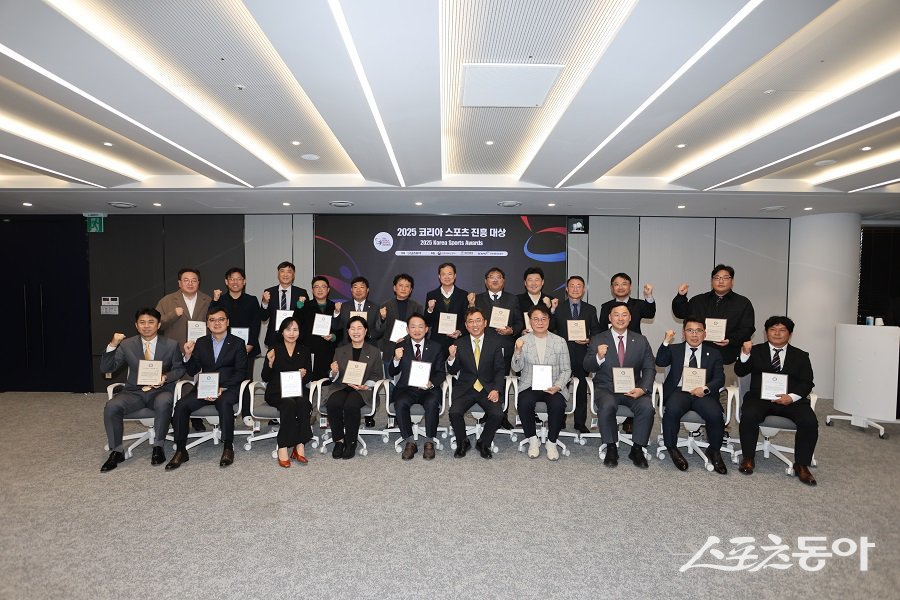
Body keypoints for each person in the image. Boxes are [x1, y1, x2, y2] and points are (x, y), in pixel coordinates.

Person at [99, 308, 185, 472]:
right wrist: (112, 344)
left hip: (161, 390)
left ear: (158, 325)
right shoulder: (127, 345)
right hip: (134, 392)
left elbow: (179, 369)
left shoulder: (171, 345)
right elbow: (106, 368)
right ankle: (116, 451)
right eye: (142, 323)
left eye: (151, 322)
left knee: (164, 401)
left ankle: (158, 446)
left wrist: (165, 377)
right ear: (136, 326)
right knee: (112, 406)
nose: (146, 326)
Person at [735, 316, 818, 486]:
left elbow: (807, 382)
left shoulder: (801, 356)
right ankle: (748, 457)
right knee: (749, 414)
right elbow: (740, 371)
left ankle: (801, 464)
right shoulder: (755, 350)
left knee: (809, 421)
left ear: (790, 333)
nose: (777, 333)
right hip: (761, 398)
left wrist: (792, 397)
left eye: (782, 330)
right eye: (773, 330)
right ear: (766, 333)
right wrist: (744, 354)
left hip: (791, 399)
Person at [165, 307, 249, 470]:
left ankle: (227, 447)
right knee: (181, 405)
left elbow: (241, 372)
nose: (217, 323)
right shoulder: (201, 342)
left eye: (221, 319)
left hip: (228, 388)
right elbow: (192, 370)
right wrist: (188, 356)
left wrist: (222, 388)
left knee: (224, 403)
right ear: (207, 324)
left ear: (227, 322)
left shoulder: (238, 343)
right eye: (212, 320)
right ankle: (181, 450)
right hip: (203, 388)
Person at [583, 304, 656, 468]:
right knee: (607, 405)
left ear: (630, 318)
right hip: (606, 387)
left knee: (646, 407)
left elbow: (649, 367)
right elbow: (587, 366)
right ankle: (611, 447)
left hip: (633, 389)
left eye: (624, 315)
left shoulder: (641, 340)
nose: (621, 318)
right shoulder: (598, 339)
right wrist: (598, 357)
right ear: (610, 318)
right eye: (616, 315)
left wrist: (643, 389)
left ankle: (637, 448)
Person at [656, 318, 727, 474]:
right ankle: (672, 448)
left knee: (715, 415)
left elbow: (720, 378)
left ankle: (714, 451)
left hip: (703, 393)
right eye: (690, 330)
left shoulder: (714, 353)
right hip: (679, 391)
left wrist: (705, 388)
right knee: (672, 410)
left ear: (705, 333)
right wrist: (666, 341)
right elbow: (660, 362)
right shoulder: (675, 349)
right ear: (683, 334)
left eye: (698, 331)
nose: (694, 334)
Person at [672, 264, 755, 378]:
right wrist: (681, 297)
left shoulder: (743, 303)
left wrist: (730, 340)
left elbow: (747, 329)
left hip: (727, 355)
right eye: (717, 278)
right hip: (697, 353)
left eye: (725, 278)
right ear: (712, 281)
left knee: (721, 390)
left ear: (732, 281)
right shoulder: (699, 300)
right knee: (691, 387)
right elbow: (680, 313)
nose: (721, 281)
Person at [511, 305, 572, 461]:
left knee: (557, 404)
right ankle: (532, 440)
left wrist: (558, 386)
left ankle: (551, 442)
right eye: (536, 319)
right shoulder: (522, 341)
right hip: (530, 384)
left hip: (553, 385)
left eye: (544, 319)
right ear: (530, 321)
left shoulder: (559, 341)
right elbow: (516, 368)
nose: (540, 322)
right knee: (524, 402)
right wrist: (517, 351)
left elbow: (566, 370)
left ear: (549, 321)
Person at [156, 267, 211, 432]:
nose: (190, 283)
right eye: (186, 280)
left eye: (194, 280)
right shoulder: (167, 301)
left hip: (200, 350)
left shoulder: (207, 300)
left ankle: (196, 418)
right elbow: (157, 323)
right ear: (179, 283)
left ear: (199, 283)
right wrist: (173, 314)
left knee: (197, 383)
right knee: (177, 384)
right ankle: (176, 417)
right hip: (175, 349)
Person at [447, 307, 506, 459]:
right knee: (454, 412)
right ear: (466, 325)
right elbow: (453, 371)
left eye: (478, 320)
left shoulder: (495, 342)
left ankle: (484, 443)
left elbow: (500, 370)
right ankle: (462, 442)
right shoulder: (460, 343)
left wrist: (496, 389)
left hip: (488, 389)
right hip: (466, 389)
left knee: (497, 414)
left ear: (485, 323)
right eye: (470, 321)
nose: (475, 325)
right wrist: (451, 358)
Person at [470, 266, 525, 429]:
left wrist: (511, 330)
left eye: (498, 277)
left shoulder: (512, 299)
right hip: (484, 348)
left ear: (504, 281)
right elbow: (471, 322)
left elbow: (519, 322)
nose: (495, 279)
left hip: (505, 346)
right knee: (486, 379)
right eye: (491, 277)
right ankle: (488, 413)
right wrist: (470, 305)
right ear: (486, 282)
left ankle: (503, 415)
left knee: (503, 381)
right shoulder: (477, 299)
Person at [388, 313, 445, 460]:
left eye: (420, 326)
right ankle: (410, 441)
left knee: (432, 403)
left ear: (426, 329)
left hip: (428, 389)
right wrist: (395, 358)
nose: (417, 330)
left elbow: (441, 373)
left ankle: (429, 441)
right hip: (407, 389)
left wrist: (431, 383)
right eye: (413, 327)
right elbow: (392, 372)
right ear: (407, 329)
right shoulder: (400, 346)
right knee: (400, 403)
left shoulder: (436, 347)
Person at [326, 316, 384, 460]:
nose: (356, 332)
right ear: (348, 331)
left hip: (362, 389)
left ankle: (351, 442)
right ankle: (339, 441)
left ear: (365, 331)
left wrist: (366, 385)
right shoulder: (340, 350)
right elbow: (333, 376)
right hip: (342, 386)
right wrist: (333, 372)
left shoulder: (374, 351)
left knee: (351, 405)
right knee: (333, 402)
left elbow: (378, 375)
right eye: (352, 328)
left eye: (359, 328)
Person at [210, 266, 262, 424]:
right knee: (225, 377)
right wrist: (214, 300)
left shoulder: (252, 300)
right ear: (226, 281)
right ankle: (225, 409)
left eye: (239, 279)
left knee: (246, 379)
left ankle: (246, 412)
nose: (235, 282)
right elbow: (212, 319)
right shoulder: (221, 300)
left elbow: (256, 323)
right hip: (225, 347)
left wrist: (251, 343)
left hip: (247, 347)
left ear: (244, 281)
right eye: (232, 279)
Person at [260, 317, 313, 468]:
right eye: (288, 329)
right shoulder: (274, 349)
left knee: (304, 403)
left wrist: (304, 375)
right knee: (288, 404)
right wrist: (270, 363)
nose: (292, 333)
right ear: (282, 332)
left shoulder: (304, 350)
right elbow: (265, 377)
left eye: (295, 329)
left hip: (297, 391)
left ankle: (299, 445)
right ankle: (283, 446)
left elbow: (310, 376)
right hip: (277, 392)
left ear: (299, 332)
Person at [551, 275, 602, 433]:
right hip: (561, 355)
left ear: (584, 290)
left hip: (582, 355)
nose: (575, 289)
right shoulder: (558, 308)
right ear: (566, 289)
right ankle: (560, 420)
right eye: (572, 286)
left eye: (578, 286)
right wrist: (551, 311)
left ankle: (580, 422)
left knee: (581, 390)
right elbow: (551, 329)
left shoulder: (590, 309)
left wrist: (588, 340)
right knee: (561, 388)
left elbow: (596, 332)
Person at [293, 276, 340, 384]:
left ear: (328, 290)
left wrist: (334, 336)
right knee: (310, 380)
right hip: (310, 349)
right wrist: (299, 307)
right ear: (312, 290)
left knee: (328, 381)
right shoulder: (305, 306)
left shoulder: (335, 307)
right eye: (316, 287)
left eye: (323, 287)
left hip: (329, 350)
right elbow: (296, 324)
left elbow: (341, 329)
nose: (320, 289)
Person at [260, 261, 309, 350]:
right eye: (282, 271)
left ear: (293, 275)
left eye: (289, 271)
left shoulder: (301, 293)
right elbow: (263, 317)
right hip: (274, 337)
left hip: (294, 338)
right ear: (278, 274)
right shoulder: (269, 292)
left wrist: (300, 306)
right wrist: (265, 302)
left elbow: (305, 319)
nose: (285, 274)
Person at [424, 262, 469, 352]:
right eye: (443, 274)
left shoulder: (463, 295)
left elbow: (466, 318)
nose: (446, 277)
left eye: (449, 274)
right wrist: (430, 309)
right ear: (439, 276)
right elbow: (428, 322)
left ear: (455, 276)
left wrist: (460, 332)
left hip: (457, 341)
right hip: (437, 342)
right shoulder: (431, 295)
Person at [375, 273, 423, 355]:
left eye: (407, 286)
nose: (403, 289)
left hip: (409, 348)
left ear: (411, 290)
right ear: (394, 288)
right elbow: (379, 330)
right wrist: (382, 319)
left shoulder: (417, 307)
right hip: (389, 349)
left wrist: (405, 338)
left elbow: (421, 329)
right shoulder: (385, 305)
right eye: (400, 285)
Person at [334, 276, 380, 345]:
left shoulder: (375, 308)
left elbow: (379, 329)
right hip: (347, 347)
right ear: (351, 290)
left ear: (367, 290)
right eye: (355, 287)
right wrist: (337, 312)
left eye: (362, 287)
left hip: (368, 347)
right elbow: (336, 326)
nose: (358, 290)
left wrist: (368, 336)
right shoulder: (344, 307)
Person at [517, 266, 558, 333]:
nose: (533, 283)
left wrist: (551, 309)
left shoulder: (551, 300)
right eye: (530, 280)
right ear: (525, 283)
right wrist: (520, 333)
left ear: (542, 282)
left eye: (537, 280)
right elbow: (515, 323)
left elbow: (554, 326)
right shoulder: (517, 300)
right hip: (524, 341)